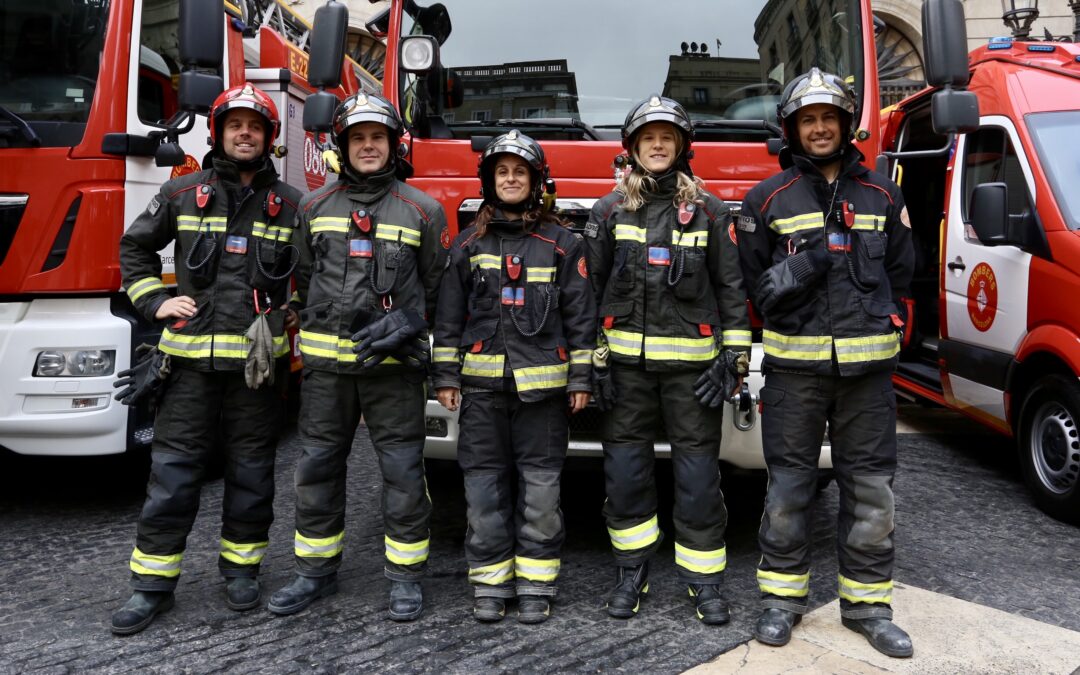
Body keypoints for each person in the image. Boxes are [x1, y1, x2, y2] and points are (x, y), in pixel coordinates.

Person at [735, 68, 915, 657]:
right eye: (808, 120)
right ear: (792, 129)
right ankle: (780, 602)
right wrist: (796, 270)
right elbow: (752, 287)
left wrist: (885, 326)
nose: (819, 128)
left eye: (828, 118)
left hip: (868, 378)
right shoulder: (766, 198)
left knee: (871, 491)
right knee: (789, 490)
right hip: (794, 376)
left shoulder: (884, 195)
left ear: (845, 125)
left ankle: (868, 608)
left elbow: (901, 275)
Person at [111, 83, 301, 635]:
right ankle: (152, 586)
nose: (245, 134)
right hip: (188, 369)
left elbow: (317, 273)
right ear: (218, 132)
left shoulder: (292, 205)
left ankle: (241, 570)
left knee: (252, 475)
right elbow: (134, 248)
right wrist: (155, 301)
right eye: (235, 125)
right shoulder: (181, 192)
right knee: (173, 475)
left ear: (268, 137)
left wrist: (294, 311)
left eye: (255, 126)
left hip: (256, 374)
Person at [268, 92, 448, 622]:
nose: (368, 146)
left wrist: (411, 325)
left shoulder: (424, 210)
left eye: (377, 137)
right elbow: (304, 281)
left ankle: (405, 577)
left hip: (393, 372)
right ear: (342, 146)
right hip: (327, 373)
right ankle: (314, 572)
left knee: (402, 473)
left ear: (394, 145)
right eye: (358, 138)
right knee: (316, 468)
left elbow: (438, 293)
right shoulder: (313, 207)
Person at [583, 96, 752, 624]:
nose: (657, 145)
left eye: (667, 138)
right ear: (632, 148)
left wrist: (734, 360)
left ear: (681, 147)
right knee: (625, 476)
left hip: (693, 374)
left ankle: (705, 582)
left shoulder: (710, 211)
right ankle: (630, 572)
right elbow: (588, 294)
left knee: (699, 481)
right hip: (625, 373)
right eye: (648, 138)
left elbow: (731, 289)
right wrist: (592, 364)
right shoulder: (608, 211)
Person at [432, 131, 596, 624]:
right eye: (501, 172)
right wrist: (446, 376)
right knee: (484, 493)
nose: (510, 179)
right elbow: (448, 318)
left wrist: (581, 380)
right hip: (481, 394)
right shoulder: (468, 245)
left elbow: (581, 319)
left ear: (536, 182)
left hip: (542, 398)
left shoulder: (564, 245)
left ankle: (536, 584)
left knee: (541, 495)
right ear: (488, 181)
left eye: (519, 172)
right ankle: (490, 583)